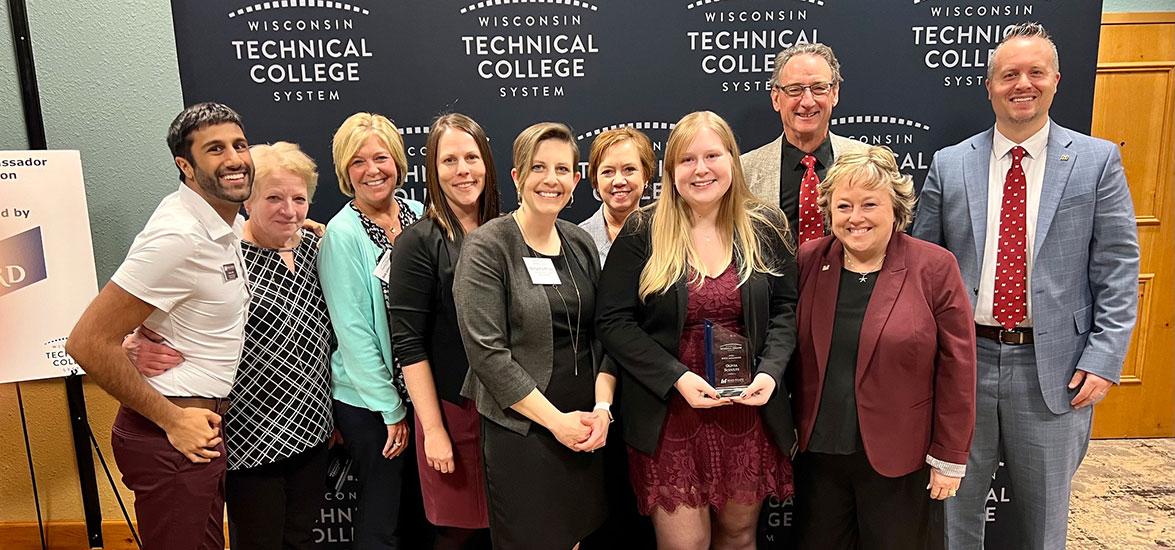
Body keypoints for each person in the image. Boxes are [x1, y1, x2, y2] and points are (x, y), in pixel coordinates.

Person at [911, 22, 1140, 550]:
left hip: (1056, 369)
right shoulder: (950, 165)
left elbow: (1118, 268)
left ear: (1056, 80)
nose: (1023, 84)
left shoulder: (1096, 161)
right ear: (989, 85)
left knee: (1043, 523)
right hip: (964, 364)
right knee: (953, 515)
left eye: (1036, 72)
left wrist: (1105, 357)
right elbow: (921, 271)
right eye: (1009, 74)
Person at [596, 111, 797, 550]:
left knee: (740, 537)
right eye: (687, 159)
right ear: (670, 171)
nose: (701, 168)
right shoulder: (643, 230)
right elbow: (613, 322)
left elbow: (786, 310)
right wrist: (677, 378)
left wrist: (770, 373)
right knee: (684, 545)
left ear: (733, 160)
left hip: (747, 409)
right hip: (671, 413)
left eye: (712, 155)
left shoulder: (765, 227)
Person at [122, 141, 334, 550]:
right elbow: (129, 312)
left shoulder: (314, 248)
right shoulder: (221, 253)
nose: (288, 210)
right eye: (273, 197)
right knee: (258, 541)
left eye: (298, 199)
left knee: (302, 540)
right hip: (249, 439)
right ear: (247, 200)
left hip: (314, 431)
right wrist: (132, 344)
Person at [65, 102, 254, 550]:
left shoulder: (222, 223)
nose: (234, 158)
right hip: (170, 435)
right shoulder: (179, 237)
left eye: (239, 144)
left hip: (197, 432)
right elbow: (87, 343)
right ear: (185, 166)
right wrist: (173, 421)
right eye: (215, 149)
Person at [791, 146, 976, 549]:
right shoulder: (808, 260)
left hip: (900, 459)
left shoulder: (934, 266)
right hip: (820, 456)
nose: (855, 218)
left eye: (869, 204)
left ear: (896, 208)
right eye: (843, 206)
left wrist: (950, 455)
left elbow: (957, 368)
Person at [453, 122, 612, 549]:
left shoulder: (580, 242)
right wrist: (555, 422)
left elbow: (603, 335)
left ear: (577, 180)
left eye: (563, 169)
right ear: (517, 176)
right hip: (523, 432)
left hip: (582, 427)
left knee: (575, 538)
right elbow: (488, 355)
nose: (551, 179)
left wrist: (601, 409)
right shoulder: (488, 246)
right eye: (538, 167)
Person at [388, 113, 498, 549]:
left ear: (487, 163)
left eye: (471, 157)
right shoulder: (418, 241)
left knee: (504, 527)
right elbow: (409, 343)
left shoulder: (507, 232)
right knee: (456, 532)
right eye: (448, 160)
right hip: (452, 410)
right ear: (432, 172)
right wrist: (433, 429)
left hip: (509, 410)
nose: (462, 170)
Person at [319, 112, 425, 549]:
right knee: (383, 518)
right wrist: (391, 409)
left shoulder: (420, 215)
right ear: (345, 171)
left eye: (381, 158)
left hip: (422, 393)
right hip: (372, 406)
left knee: (424, 516)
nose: (372, 170)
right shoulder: (341, 236)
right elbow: (354, 333)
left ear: (398, 163)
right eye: (358, 162)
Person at [741, 43, 868, 245]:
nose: (807, 101)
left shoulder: (869, 163)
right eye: (795, 90)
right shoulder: (743, 171)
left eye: (819, 88)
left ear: (834, 93)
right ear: (776, 97)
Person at [578, 127, 656, 266]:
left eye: (629, 170)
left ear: (646, 176)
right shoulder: (578, 242)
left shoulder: (665, 235)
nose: (619, 181)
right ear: (595, 181)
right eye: (608, 172)